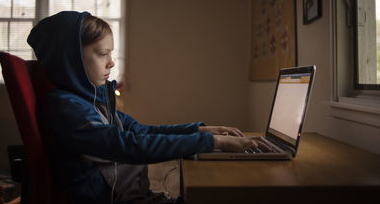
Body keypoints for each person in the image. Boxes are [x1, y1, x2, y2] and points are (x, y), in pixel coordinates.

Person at [27, 11, 263, 204]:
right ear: (71, 60)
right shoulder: (68, 110)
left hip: (132, 195)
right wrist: (213, 143)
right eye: (102, 54)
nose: (111, 62)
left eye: (111, 53)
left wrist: (200, 131)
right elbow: (129, 145)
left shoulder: (93, 100)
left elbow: (140, 131)